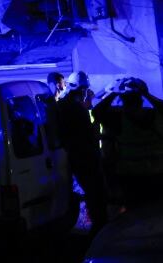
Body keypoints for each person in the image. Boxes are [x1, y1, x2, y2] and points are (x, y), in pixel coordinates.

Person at [93, 77, 163, 208]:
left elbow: (97, 112)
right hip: (157, 173)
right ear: (141, 99)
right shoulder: (155, 115)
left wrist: (114, 92)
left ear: (123, 100)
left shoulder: (118, 118)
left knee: (134, 217)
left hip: (130, 176)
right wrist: (147, 94)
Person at [59, 74, 108, 232]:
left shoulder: (62, 106)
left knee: (88, 192)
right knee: (95, 193)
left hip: (73, 157)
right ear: (82, 89)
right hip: (86, 156)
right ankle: (98, 229)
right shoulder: (77, 109)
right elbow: (88, 134)